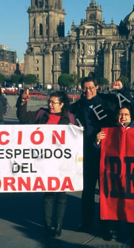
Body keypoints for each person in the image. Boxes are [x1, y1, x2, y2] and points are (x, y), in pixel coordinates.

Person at [17, 89, 77, 237]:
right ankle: (47, 224)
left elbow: (76, 138)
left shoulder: (70, 117)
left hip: (63, 162)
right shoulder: (41, 114)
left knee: (61, 194)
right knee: (48, 193)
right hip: (44, 160)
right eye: (49, 102)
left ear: (62, 104)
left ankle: (58, 224)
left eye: (53, 102)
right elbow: (23, 117)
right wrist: (23, 102)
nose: (50, 104)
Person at [70, 77, 126, 232]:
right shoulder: (75, 108)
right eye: (85, 88)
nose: (88, 91)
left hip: (106, 154)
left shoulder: (107, 102)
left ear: (97, 87)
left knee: (105, 191)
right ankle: (86, 221)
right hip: (87, 154)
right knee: (87, 191)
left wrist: (121, 90)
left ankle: (104, 223)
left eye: (91, 88)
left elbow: (127, 105)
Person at [95, 104, 134, 246]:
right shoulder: (109, 130)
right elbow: (100, 151)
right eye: (120, 114)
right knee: (113, 202)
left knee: (133, 204)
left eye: (126, 115)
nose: (123, 117)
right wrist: (98, 141)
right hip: (114, 173)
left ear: (131, 117)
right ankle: (113, 230)